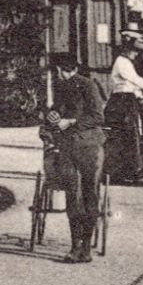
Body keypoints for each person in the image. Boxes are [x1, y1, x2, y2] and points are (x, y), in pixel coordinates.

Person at [46, 53, 108, 263]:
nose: (57, 74)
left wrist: (71, 122)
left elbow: (98, 117)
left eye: (58, 70)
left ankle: (86, 248)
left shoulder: (89, 86)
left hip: (89, 146)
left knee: (90, 194)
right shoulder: (61, 86)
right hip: (67, 147)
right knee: (73, 195)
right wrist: (53, 116)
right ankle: (75, 247)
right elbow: (56, 109)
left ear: (67, 69)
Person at [106, 30, 143, 183]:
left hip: (127, 100)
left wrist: (140, 94)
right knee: (125, 136)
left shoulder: (126, 62)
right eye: (134, 52)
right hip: (122, 101)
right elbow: (134, 79)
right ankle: (123, 173)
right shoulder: (122, 62)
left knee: (131, 136)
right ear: (128, 49)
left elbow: (132, 84)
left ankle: (129, 171)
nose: (136, 55)